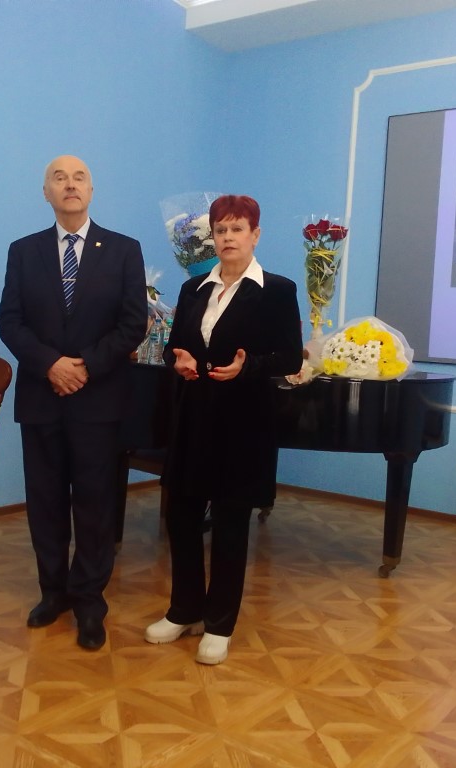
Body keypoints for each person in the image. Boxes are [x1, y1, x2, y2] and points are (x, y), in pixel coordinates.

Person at [0, 155, 147, 650]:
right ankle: (53, 592)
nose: (70, 184)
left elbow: (133, 323)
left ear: (91, 190)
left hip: (97, 399)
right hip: (41, 397)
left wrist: (83, 366)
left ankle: (89, 601)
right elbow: (9, 321)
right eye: (58, 178)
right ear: (46, 192)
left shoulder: (123, 250)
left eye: (79, 177)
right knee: (45, 502)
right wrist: (51, 365)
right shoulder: (24, 251)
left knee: (95, 504)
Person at [144, 194, 303, 665]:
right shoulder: (194, 288)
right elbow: (175, 344)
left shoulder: (277, 290)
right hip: (193, 417)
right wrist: (179, 359)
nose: (228, 238)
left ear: (255, 235)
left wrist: (246, 366)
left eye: (237, 229)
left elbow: (289, 356)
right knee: (182, 517)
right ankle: (184, 610)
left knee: (231, 524)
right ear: (211, 237)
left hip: (244, 423)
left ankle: (219, 624)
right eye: (221, 230)